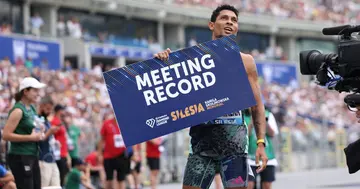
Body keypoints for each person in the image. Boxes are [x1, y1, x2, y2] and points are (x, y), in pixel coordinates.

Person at [154, 5, 268, 189]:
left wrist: (261, 143)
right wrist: (162, 64)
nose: (230, 22)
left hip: (234, 147)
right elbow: (168, 91)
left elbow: (257, 105)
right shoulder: (192, 60)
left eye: (234, 20)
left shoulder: (246, 61)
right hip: (201, 145)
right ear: (211, 25)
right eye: (224, 18)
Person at [3, 77, 46, 189]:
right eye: (35, 90)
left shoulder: (31, 108)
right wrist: (31, 137)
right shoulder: (18, 111)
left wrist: (40, 130)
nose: (38, 93)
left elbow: (32, 129)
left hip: (32, 154)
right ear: (25, 91)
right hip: (20, 155)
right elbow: (6, 135)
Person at [246, 107, 278, 189]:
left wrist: (264, 122)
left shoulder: (268, 114)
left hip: (267, 157)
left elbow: (272, 134)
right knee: (249, 185)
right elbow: (245, 136)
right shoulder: (244, 116)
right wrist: (252, 122)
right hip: (250, 158)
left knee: (267, 185)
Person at [98, 113, 128, 189]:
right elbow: (101, 140)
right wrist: (99, 154)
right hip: (108, 155)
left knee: (121, 179)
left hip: (122, 155)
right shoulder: (106, 123)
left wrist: (135, 153)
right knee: (109, 179)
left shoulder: (125, 123)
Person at [38, 96, 61, 187]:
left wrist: (55, 142)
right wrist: (49, 132)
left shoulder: (47, 121)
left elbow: (49, 138)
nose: (49, 112)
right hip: (42, 159)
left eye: (50, 110)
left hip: (52, 158)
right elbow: (38, 138)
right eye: (47, 109)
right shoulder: (37, 119)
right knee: (44, 186)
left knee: (56, 186)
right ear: (41, 106)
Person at [51, 104, 69, 187]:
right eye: (63, 110)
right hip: (58, 154)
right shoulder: (54, 121)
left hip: (63, 153)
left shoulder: (59, 121)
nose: (64, 112)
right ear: (59, 111)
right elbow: (52, 136)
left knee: (62, 177)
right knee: (59, 178)